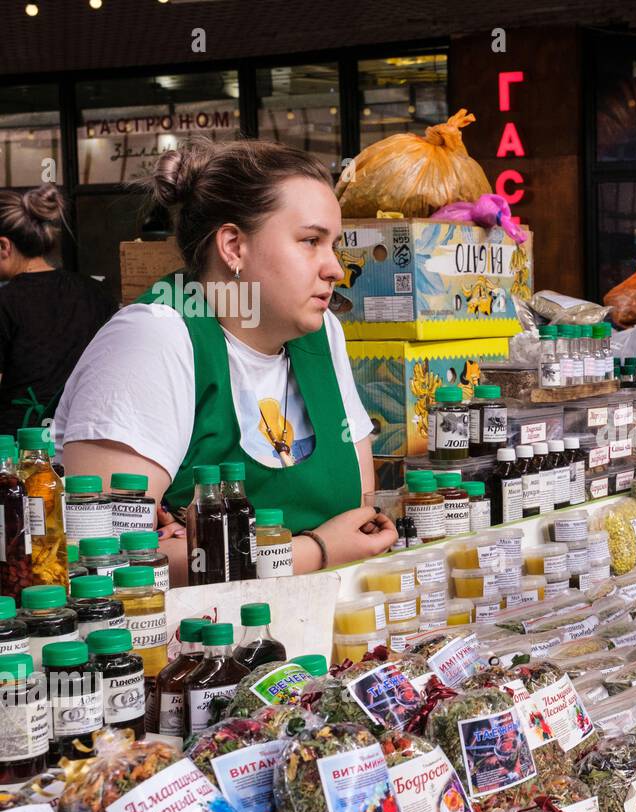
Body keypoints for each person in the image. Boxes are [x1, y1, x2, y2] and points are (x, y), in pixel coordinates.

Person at [57, 139, 395, 583]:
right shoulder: (155, 339)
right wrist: (314, 549)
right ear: (233, 246)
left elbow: (362, 513)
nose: (334, 267)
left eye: (333, 244)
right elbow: (102, 563)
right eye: (311, 241)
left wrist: (209, 548)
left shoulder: (321, 333)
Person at [0, 185, 117, 435]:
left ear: (4, 246)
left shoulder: (5, 301)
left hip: (18, 444)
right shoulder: (95, 293)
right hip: (82, 434)